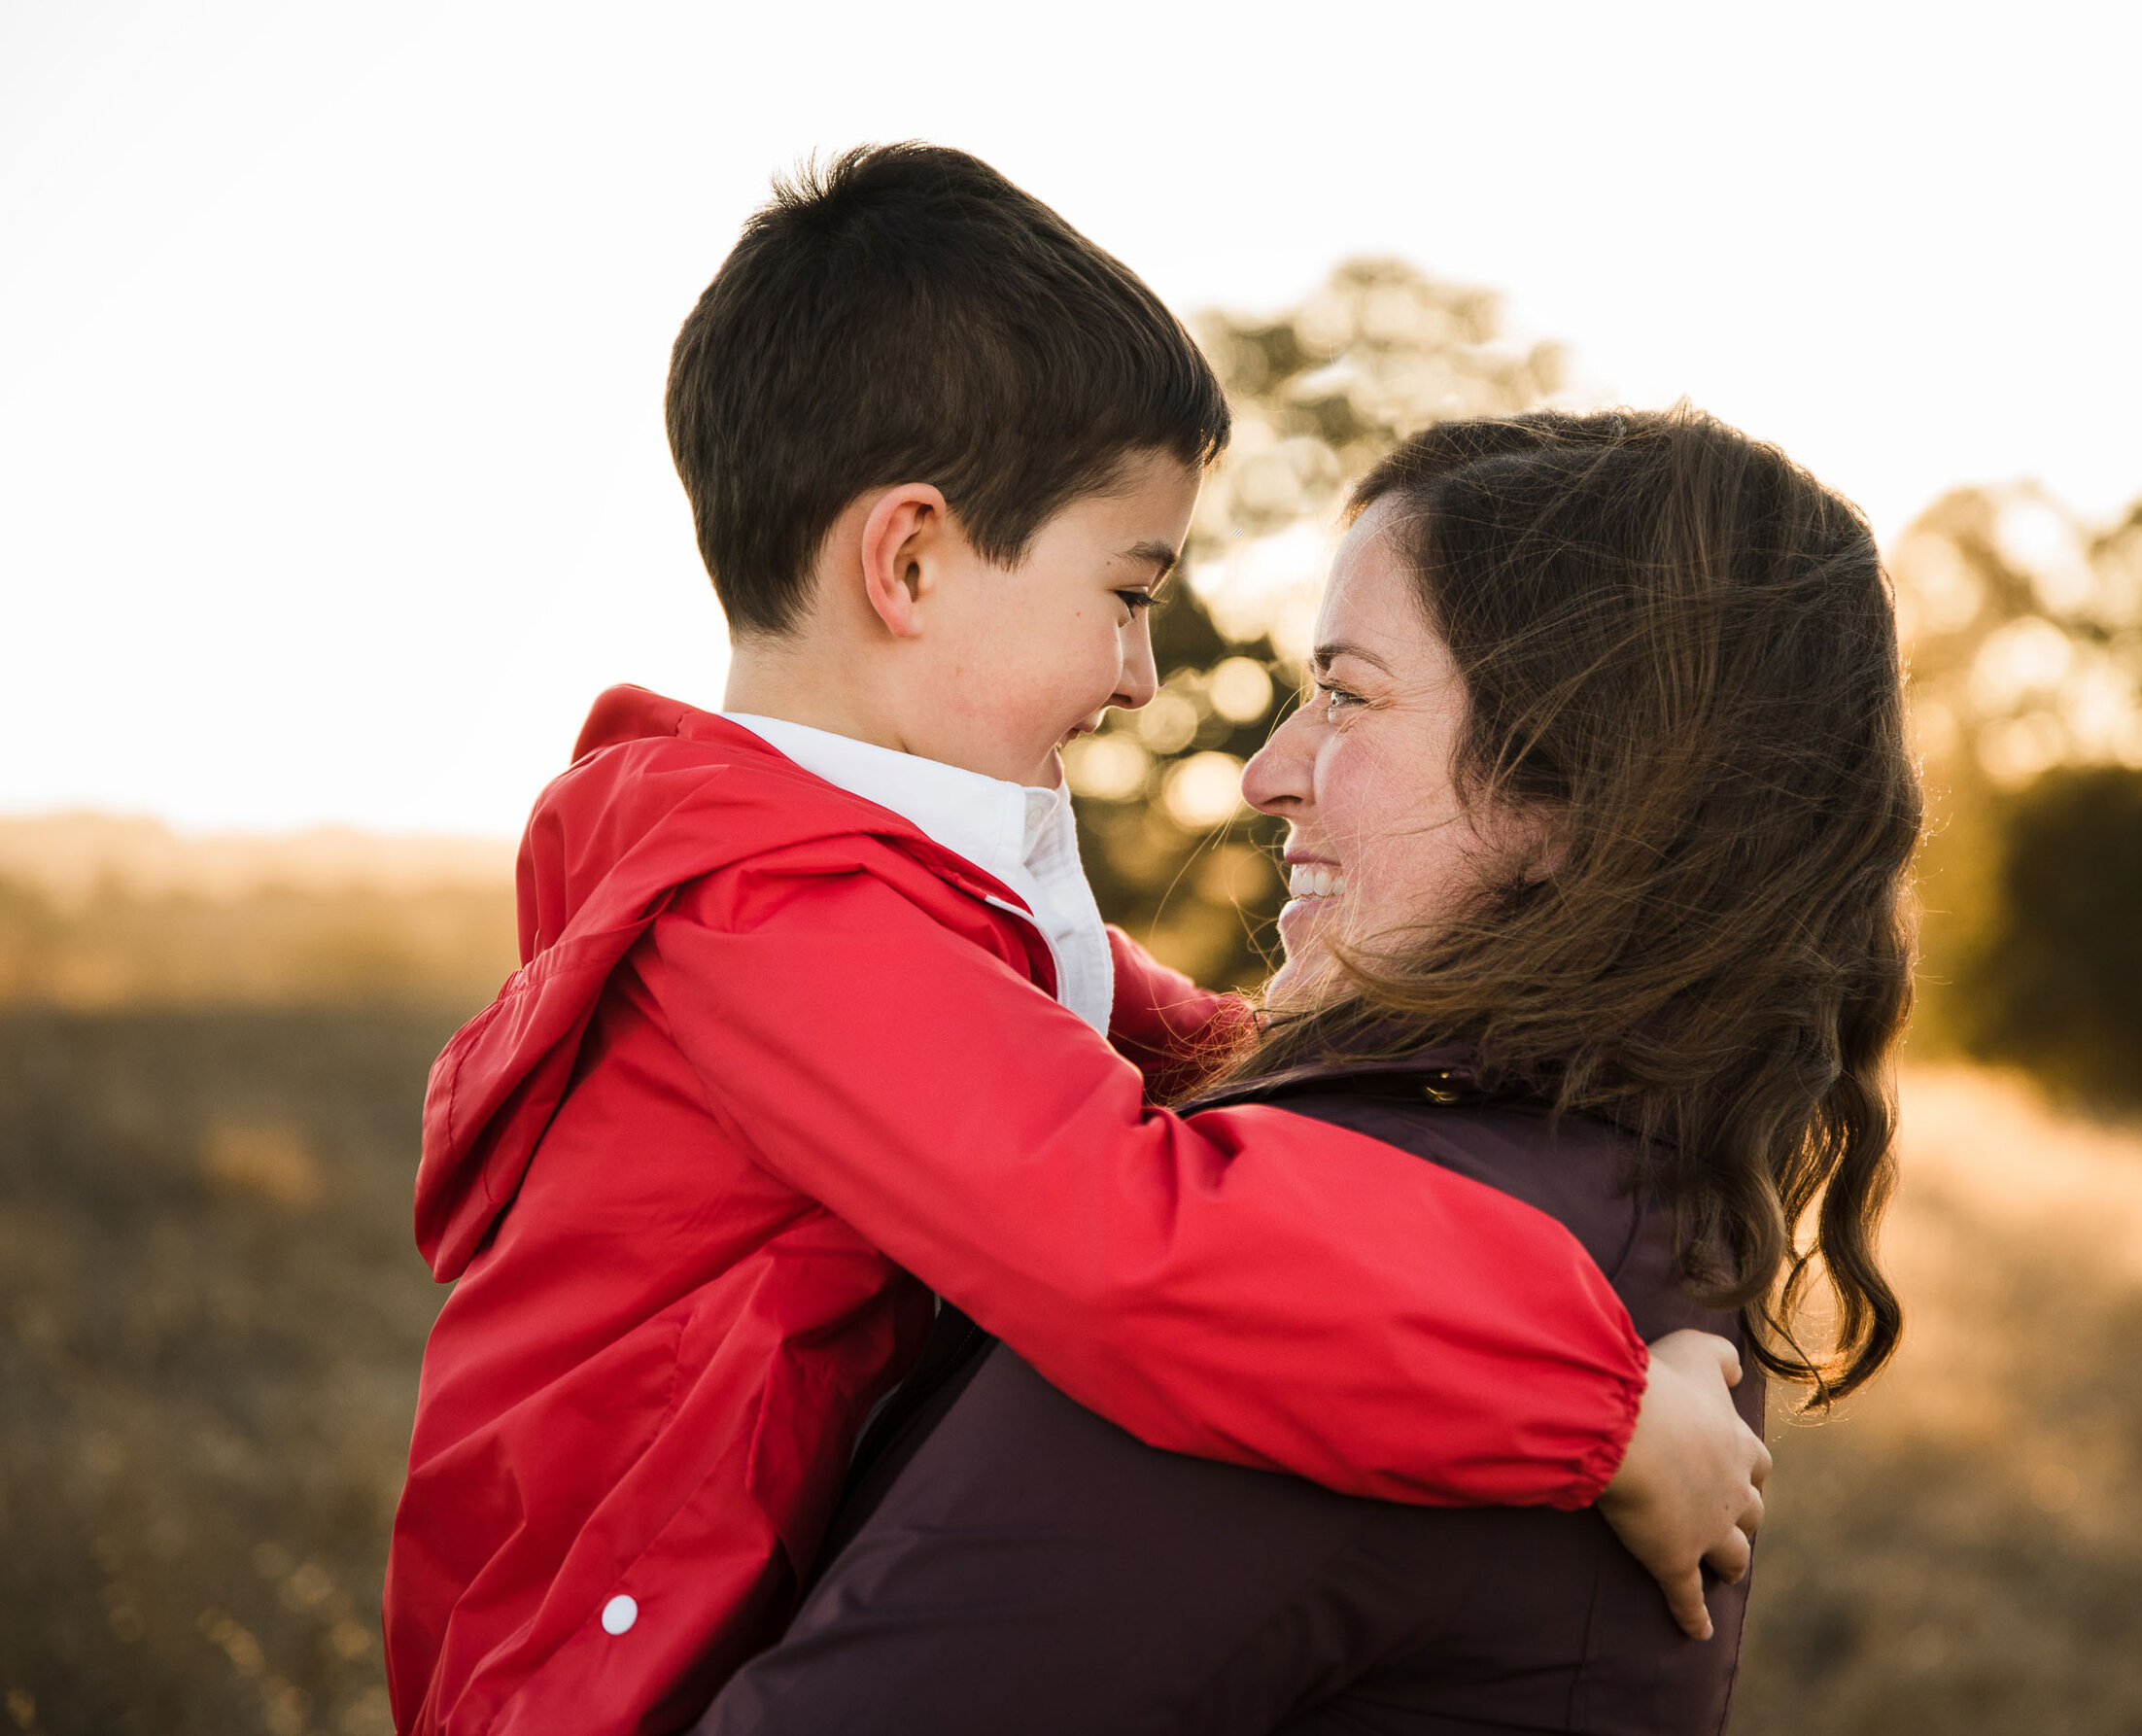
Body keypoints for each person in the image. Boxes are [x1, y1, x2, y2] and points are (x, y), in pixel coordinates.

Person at [382, 150, 1768, 1736]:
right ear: (907, 561)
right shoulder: (775, 920)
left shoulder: (886, 887)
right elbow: (1133, 1237)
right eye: (1127, 592)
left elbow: (1179, 1037)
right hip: (586, 1678)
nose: (1139, 677)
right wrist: (1600, 1412)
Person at [691, 404, 1919, 1735]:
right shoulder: (1623, 1197)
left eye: (1346, 690)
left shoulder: (1324, 1292)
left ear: (1581, 789)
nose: (1264, 772)